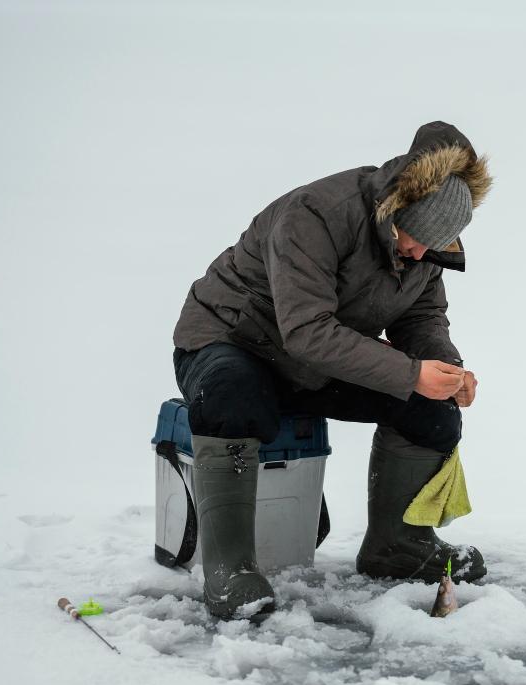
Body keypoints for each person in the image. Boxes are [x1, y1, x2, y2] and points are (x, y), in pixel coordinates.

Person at [171, 121, 493, 620]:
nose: (419, 255)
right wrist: (410, 372)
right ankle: (229, 568)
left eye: (433, 247)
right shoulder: (317, 215)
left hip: (317, 364)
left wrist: (446, 370)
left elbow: (421, 316)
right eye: (414, 241)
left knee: (432, 407)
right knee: (233, 397)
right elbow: (306, 331)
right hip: (232, 343)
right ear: (396, 210)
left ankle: (397, 546)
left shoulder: (424, 249)